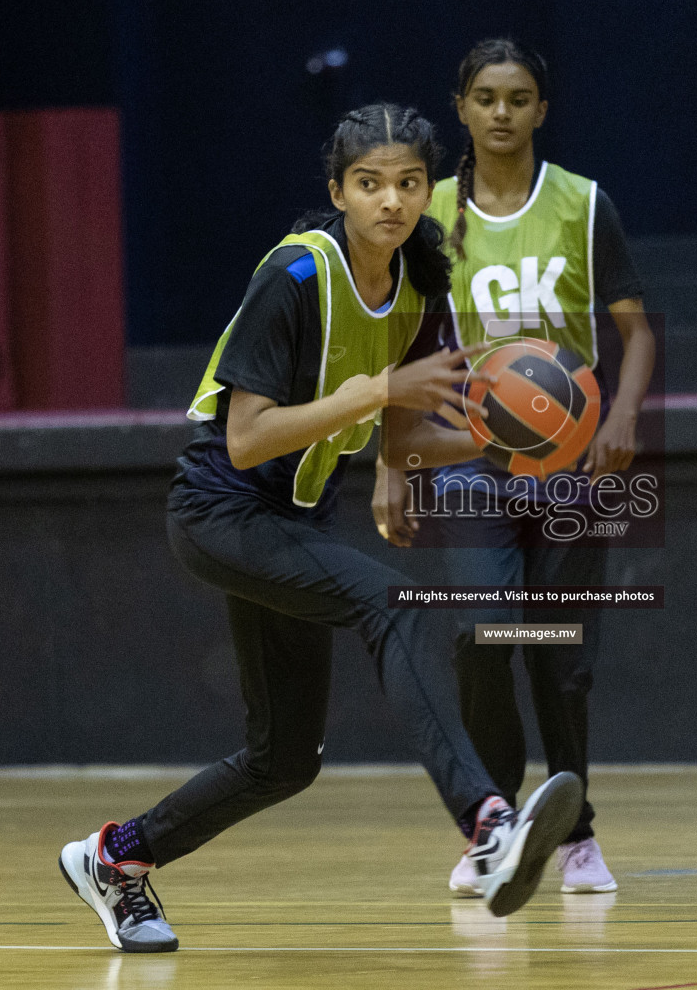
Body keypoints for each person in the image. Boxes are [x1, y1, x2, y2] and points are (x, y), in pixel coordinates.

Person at [58, 103, 583, 953]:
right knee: (393, 601)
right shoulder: (297, 276)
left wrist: (513, 441)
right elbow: (247, 434)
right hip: (219, 509)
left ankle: (116, 858)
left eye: (410, 183)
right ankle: (489, 826)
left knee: (284, 761)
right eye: (370, 184)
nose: (391, 201)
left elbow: (405, 434)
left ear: (429, 193)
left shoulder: (420, 285)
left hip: (295, 515)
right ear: (339, 190)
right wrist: (378, 394)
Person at [371, 39, 653, 897]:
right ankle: (491, 823)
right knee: (479, 636)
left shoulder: (584, 204)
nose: (502, 111)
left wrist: (625, 416)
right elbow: (404, 345)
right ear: (461, 107)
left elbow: (633, 331)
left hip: (570, 464)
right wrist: (390, 460)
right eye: (486, 97)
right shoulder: (431, 218)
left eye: (519, 97)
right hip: (469, 461)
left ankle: (576, 836)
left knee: (561, 658)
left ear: (541, 109)